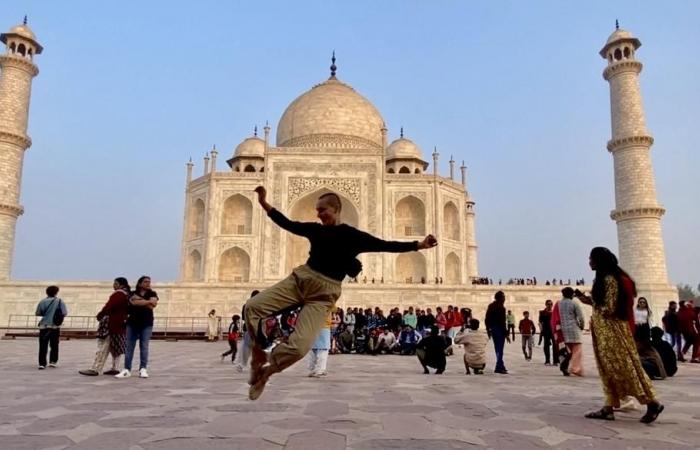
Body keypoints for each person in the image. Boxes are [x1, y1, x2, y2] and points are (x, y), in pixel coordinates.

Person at [245, 186, 437, 400]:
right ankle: (258, 353)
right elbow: (287, 223)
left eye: (322, 209)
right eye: (317, 210)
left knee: (299, 348)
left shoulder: (352, 236)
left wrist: (419, 245)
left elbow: (385, 245)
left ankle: (266, 373)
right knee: (252, 307)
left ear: (336, 209)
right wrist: (264, 203)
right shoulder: (316, 230)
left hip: (323, 296)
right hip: (300, 280)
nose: (318, 214)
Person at [575, 247, 664, 423]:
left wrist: (594, 304)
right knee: (607, 369)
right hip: (605, 333)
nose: (589, 262)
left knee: (625, 367)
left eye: (591, 259)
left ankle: (652, 402)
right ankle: (608, 407)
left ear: (600, 260)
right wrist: (588, 300)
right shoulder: (607, 279)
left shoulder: (609, 280)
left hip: (612, 334)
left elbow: (609, 309)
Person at [79, 278, 130, 376]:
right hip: (120, 325)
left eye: (115, 283)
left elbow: (109, 306)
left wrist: (100, 315)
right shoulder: (128, 294)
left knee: (103, 346)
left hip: (111, 325)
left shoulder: (118, 294)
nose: (113, 285)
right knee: (115, 348)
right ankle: (115, 368)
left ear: (119, 284)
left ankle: (96, 369)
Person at [116, 275, 158, 379]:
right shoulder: (132, 293)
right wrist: (147, 301)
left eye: (149, 281)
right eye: (145, 281)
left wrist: (141, 301)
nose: (148, 283)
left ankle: (143, 369)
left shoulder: (152, 293)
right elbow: (134, 302)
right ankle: (127, 369)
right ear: (140, 283)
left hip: (147, 324)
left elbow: (153, 304)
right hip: (132, 324)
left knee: (144, 347)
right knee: (129, 348)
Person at [35, 285, 68, 370]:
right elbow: (64, 313)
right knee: (54, 345)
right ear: (56, 292)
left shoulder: (42, 301)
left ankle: (42, 363)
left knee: (43, 345)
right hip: (55, 326)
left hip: (44, 326)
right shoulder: (60, 301)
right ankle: (53, 361)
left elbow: (38, 313)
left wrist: (47, 314)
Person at [555, 287, 585, 376]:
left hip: (564, 330)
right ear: (571, 294)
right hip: (574, 330)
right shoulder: (574, 303)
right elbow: (581, 317)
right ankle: (575, 369)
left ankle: (565, 367)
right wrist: (581, 326)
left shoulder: (559, 304)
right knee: (577, 351)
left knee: (567, 351)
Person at [234, 290, 259, 372]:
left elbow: (244, 317)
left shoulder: (246, 305)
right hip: (252, 328)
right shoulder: (256, 305)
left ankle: (242, 364)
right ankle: (242, 364)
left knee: (247, 346)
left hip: (248, 327)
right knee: (249, 347)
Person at [485, 291, 509, 374]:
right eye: (503, 297)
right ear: (500, 298)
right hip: (499, 330)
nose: (504, 299)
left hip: (493, 329)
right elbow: (502, 322)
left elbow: (487, 319)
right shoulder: (501, 308)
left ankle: (500, 365)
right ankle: (499, 367)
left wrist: (488, 330)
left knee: (497, 348)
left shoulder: (491, 306)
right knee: (500, 349)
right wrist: (506, 334)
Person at [308, 313, 332, 377]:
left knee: (314, 349)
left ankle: (312, 370)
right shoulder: (328, 304)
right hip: (324, 328)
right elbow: (334, 309)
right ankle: (320, 370)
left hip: (313, 328)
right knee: (323, 350)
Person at [539, 299, 557, 365]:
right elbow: (540, 322)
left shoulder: (554, 312)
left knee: (555, 346)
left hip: (553, 331)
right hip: (546, 330)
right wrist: (541, 330)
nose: (550, 305)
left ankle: (555, 361)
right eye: (548, 304)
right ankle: (547, 360)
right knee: (546, 346)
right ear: (546, 304)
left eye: (551, 304)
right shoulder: (542, 312)